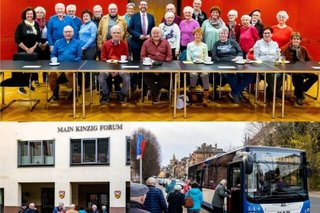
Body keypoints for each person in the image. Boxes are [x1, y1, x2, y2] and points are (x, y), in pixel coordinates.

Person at [212, 26, 253, 104]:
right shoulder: (216, 44)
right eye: (221, 33)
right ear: (219, 34)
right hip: (223, 65)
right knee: (231, 75)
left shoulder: (233, 42)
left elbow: (240, 51)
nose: (223, 35)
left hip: (236, 63)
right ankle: (236, 93)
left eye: (225, 33)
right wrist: (222, 61)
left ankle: (234, 92)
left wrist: (238, 57)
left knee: (249, 76)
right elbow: (214, 56)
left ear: (227, 34)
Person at [281, 32, 318, 106]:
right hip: (291, 69)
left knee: (314, 77)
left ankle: (300, 91)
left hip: (303, 68)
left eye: (297, 39)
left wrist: (313, 64)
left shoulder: (303, 49)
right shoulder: (286, 49)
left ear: (300, 40)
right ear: (291, 40)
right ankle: (299, 96)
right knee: (298, 76)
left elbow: (309, 59)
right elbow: (282, 59)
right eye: (294, 39)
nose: (296, 40)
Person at [98, 25, 130, 103]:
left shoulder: (124, 44)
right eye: (114, 33)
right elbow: (103, 58)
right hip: (108, 67)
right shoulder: (105, 44)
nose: (116, 34)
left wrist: (117, 70)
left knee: (127, 77)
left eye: (118, 33)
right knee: (101, 77)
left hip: (120, 67)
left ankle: (122, 94)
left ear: (121, 34)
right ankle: (106, 93)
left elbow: (125, 58)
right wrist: (111, 70)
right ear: (111, 34)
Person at [49, 25, 82, 100]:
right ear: (63, 33)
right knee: (52, 74)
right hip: (59, 65)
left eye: (69, 32)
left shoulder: (77, 43)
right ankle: (54, 91)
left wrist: (73, 62)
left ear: (73, 33)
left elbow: (79, 56)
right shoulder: (58, 42)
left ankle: (75, 91)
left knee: (70, 73)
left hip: (71, 66)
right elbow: (53, 54)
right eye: (66, 32)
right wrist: (54, 60)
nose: (68, 33)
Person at [141, 27, 172, 104]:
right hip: (150, 66)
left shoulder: (165, 42)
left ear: (160, 34)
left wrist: (162, 67)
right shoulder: (146, 43)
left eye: (157, 33)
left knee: (167, 79)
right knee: (146, 77)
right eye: (154, 33)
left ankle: (153, 91)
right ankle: (156, 93)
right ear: (151, 34)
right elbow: (142, 56)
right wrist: (151, 64)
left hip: (163, 67)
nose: (156, 35)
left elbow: (169, 56)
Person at [14, 7, 41, 94]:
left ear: (33, 15)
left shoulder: (36, 24)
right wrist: (26, 49)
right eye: (28, 14)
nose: (30, 15)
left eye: (31, 14)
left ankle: (29, 83)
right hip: (23, 51)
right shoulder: (21, 25)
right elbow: (17, 39)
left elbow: (38, 37)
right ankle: (21, 86)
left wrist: (33, 48)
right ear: (25, 15)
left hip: (33, 51)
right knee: (22, 68)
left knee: (32, 68)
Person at [253, 27, 283, 100]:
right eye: (265, 33)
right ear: (262, 34)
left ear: (271, 34)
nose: (267, 34)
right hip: (262, 65)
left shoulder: (275, 44)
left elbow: (278, 55)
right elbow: (255, 56)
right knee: (272, 76)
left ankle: (270, 92)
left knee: (283, 76)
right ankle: (273, 94)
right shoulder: (258, 43)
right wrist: (261, 63)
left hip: (273, 64)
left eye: (268, 33)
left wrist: (279, 59)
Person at [186, 27, 209, 107]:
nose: (198, 36)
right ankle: (193, 93)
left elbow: (206, 57)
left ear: (202, 36)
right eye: (196, 34)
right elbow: (188, 58)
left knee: (205, 74)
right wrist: (193, 63)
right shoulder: (189, 45)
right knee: (194, 74)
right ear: (194, 35)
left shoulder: (205, 45)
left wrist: (203, 63)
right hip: (192, 65)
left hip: (202, 65)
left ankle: (205, 97)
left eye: (200, 34)